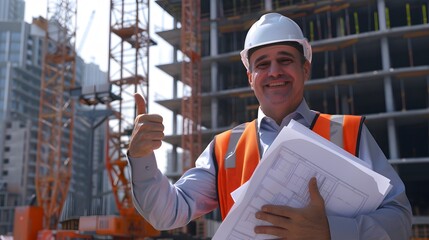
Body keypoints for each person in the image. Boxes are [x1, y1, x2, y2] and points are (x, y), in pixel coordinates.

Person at [127, 12, 412, 239]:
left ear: (305, 68)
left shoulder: (350, 133)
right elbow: (168, 213)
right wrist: (142, 159)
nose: (274, 71)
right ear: (250, 77)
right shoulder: (226, 148)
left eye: (285, 60)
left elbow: (398, 218)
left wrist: (330, 232)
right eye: (262, 64)